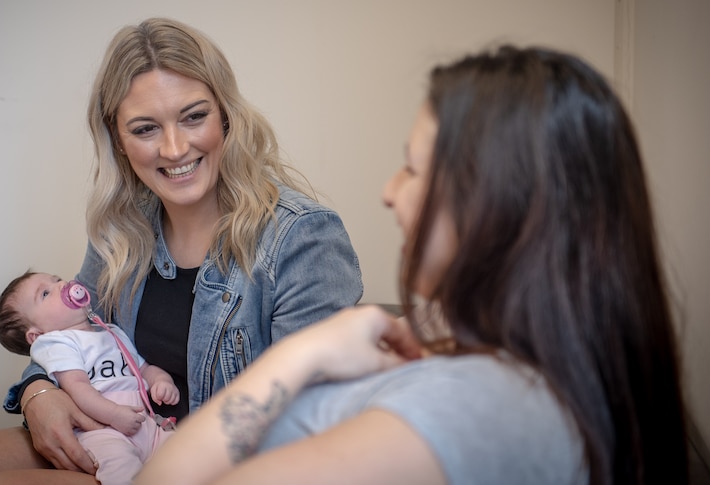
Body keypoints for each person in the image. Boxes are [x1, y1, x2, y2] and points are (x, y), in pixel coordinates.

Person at [133, 45, 689, 485]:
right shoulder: (490, 361)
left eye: (410, 168)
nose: (389, 192)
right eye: (144, 128)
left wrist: (303, 354)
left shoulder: (480, 409)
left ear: (494, 203)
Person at [0, 17, 362, 485]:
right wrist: (38, 393)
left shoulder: (303, 237)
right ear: (119, 140)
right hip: (124, 432)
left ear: (226, 115)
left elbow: (311, 421)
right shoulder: (122, 227)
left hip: (224, 465)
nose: (174, 148)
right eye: (146, 128)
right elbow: (67, 334)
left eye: (194, 116)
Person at [0, 271, 179, 484]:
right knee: (120, 467)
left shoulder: (111, 331)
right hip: (103, 430)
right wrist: (114, 415)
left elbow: (143, 368)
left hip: (145, 423)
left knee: (182, 454)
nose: (61, 285)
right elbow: (78, 387)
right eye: (45, 293)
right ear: (37, 335)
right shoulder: (57, 343)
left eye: (56, 279)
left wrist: (161, 380)